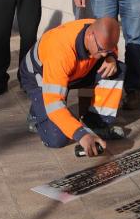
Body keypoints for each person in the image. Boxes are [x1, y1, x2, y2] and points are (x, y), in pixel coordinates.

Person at [20, 17, 125, 156]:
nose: (104, 54)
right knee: (57, 139)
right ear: (90, 36)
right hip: (38, 76)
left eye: (108, 50)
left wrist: (112, 57)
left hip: (73, 72)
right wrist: (82, 135)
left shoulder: (99, 32)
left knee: (116, 69)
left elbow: (109, 46)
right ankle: (36, 113)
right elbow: (55, 102)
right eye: (101, 50)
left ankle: (97, 123)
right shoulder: (60, 51)